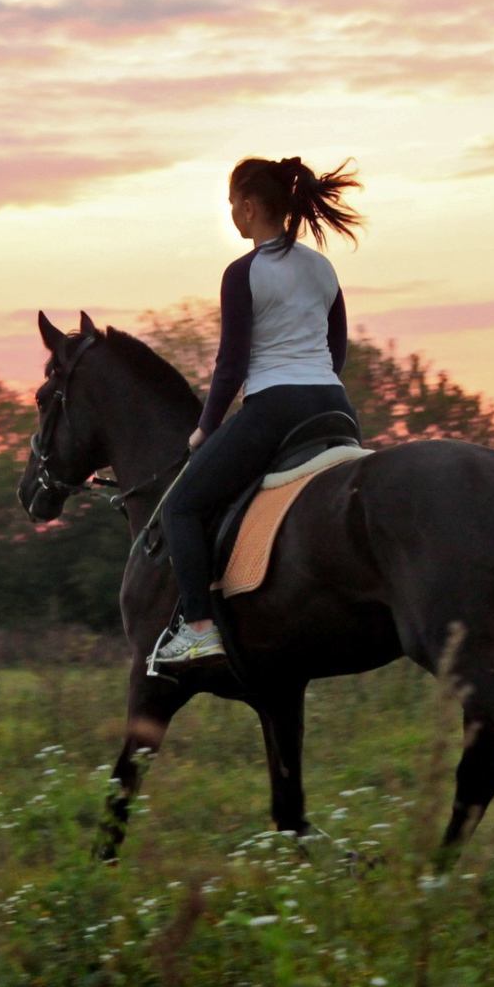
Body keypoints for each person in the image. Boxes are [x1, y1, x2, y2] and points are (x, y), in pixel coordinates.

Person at [153, 156, 365, 669]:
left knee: (181, 507)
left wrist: (206, 428)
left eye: (231, 204)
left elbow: (231, 364)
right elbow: (337, 349)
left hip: (276, 407)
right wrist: (315, 379)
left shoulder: (243, 273)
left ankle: (200, 629)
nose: (231, 213)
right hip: (336, 407)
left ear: (248, 207)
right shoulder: (323, 267)